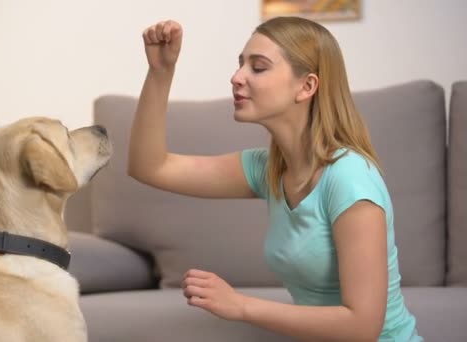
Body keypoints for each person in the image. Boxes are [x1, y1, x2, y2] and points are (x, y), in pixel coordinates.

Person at [127, 17, 423, 341]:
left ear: (307, 86)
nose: (236, 77)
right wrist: (160, 72)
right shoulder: (268, 169)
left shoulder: (350, 179)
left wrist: (240, 305)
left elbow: (362, 326)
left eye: (258, 67)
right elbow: (150, 167)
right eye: (240, 65)